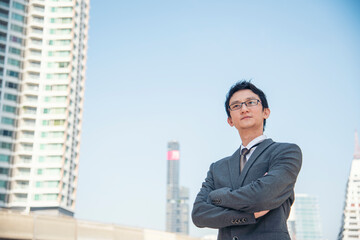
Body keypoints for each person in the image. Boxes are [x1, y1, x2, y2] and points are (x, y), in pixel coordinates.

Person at [191, 80, 302, 240]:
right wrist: (250, 214)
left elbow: (262, 197)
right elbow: (199, 214)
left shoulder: (285, 152)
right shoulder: (217, 168)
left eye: (251, 102)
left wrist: (216, 196)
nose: (244, 108)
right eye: (236, 106)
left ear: (266, 112)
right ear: (230, 120)